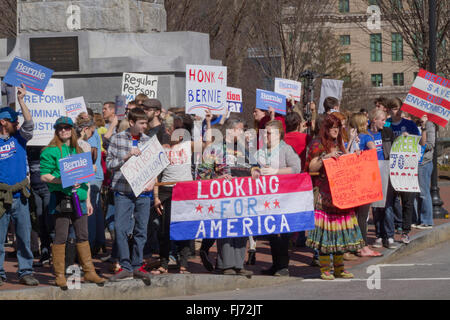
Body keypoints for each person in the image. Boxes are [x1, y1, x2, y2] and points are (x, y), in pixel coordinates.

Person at [40, 116, 105, 290]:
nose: (64, 131)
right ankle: (60, 275)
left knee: (83, 235)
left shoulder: (79, 150)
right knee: (61, 235)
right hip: (62, 198)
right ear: (56, 130)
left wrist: (89, 200)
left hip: (81, 198)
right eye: (60, 128)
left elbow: (86, 180)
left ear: (72, 130)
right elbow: (44, 175)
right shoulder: (50, 151)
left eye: (67, 128)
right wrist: (60, 180)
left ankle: (89, 272)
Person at [305, 114, 365, 280]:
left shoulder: (338, 142)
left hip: (340, 194)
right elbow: (311, 167)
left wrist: (356, 156)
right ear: (325, 128)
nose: (335, 130)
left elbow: (346, 160)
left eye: (337, 128)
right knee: (326, 234)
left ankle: (339, 268)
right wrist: (325, 157)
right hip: (324, 195)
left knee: (340, 233)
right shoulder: (317, 143)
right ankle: (325, 268)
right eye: (332, 127)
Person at [153, 113, 212, 274]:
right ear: (168, 130)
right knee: (164, 230)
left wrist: (205, 122)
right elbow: (155, 174)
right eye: (176, 129)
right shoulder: (162, 149)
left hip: (184, 190)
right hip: (166, 190)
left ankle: (183, 263)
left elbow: (207, 144)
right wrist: (156, 197)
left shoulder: (187, 145)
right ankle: (164, 264)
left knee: (184, 227)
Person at [196, 117, 255, 276]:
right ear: (230, 130)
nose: (243, 133)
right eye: (240, 130)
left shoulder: (246, 151)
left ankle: (238, 264)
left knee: (242, 229)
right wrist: (217, 179)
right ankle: (226, 265)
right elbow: (201, 176)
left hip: (243, 196)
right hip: (223, 197)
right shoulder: (214, 148)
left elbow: (254, 169)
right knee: (226, 230)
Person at [106, 108, 154, 283]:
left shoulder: (148, 141)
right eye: (141, 123)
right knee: (120, 228)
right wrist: (126, 157)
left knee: (141, 230)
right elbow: (109, 164)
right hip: (123, 191)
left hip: (142, 192)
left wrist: (152, 181)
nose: (145, 126)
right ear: (132, 123)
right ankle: (125, 266)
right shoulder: (117, 138)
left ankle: (137, 265)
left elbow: (154, 166)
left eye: (146, 123)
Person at [0, 85, 40, 286]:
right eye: (14, 120)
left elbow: (30, 122)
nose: (18, 122)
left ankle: (25, 271)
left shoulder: (20, 137)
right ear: (3, 122)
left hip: (20, 196)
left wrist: (22, 100)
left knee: (24, 237)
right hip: (1, 197)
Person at [254, 120, 301, 277]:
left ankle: (283, 266)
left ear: (278, 134)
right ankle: (275, 264)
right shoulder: (262, 150)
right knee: (272, 232)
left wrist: (276, 171)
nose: (265, 136)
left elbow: (296, 168)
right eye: (265, 132)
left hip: (283, 197)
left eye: (269, 133)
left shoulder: (286, 149)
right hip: (267, 196)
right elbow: (254, 166)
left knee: (282, 232)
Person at [386, 98, 422, 244]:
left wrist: (413, 135)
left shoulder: (409, 124)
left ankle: (405, 231)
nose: (397, 111)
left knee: (407, 201)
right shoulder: (386, 124)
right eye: (394, 109)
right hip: (391, 166)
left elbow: (420, 142)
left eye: (399, 108)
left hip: (407, 167)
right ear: (389, 110)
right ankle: (391, 229)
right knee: (390, 201)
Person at [348, 113, 382, 258]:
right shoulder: (367, 137)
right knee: (362, 215)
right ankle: (362, 246)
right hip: (363, 179)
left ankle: (353, 244)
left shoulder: (348, 139)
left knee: (353, 215)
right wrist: (364, 155)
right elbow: (373, 149)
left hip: (351, 180)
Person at [368, 108, 399, 249]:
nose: (384, 123)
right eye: (382, 120)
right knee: (376, 208)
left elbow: (394, 149)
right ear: (374, 120)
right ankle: (379, 235)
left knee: (387, 206)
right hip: (372, 174)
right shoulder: (366, 134)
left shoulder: (387, 132)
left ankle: (389, 236)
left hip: (386, 171)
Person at [416, 115, 435, 229]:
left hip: (424, 162)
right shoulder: (413, 123)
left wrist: (423, 128)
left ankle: (427, 220)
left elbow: (430, 145)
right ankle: (418, 219)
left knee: (423, 192)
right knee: (415, 194)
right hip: (413, 162)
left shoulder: (429, 124)